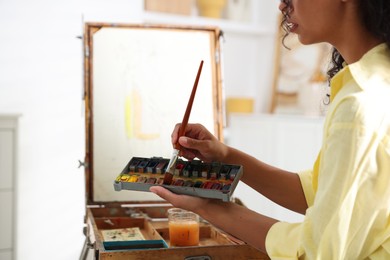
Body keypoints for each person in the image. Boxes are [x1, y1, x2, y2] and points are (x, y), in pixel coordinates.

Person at [150, 0, 390, 258]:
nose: (282, 5)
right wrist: (225, 157)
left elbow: (317, 253)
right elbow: (318, 194)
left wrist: (211, 208)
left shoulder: (360, 104)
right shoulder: (376, 81)